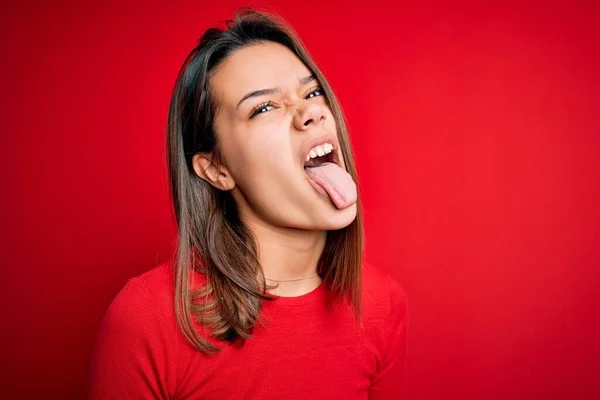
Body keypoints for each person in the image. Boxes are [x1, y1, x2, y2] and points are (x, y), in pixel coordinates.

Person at [88, 8, 408, 400]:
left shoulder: (381, 304)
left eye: (311, 92)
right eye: (264, 107)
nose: (310, 112)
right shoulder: (147, 318)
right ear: (217, 169)